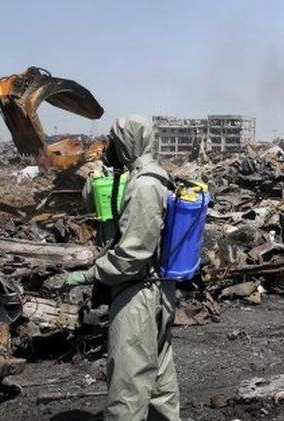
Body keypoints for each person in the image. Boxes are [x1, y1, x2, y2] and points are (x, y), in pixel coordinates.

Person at [62, 115, 179, 420]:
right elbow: (96, 205)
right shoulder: (148, 176)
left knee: (128, 382)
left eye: (113, 140)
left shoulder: (143, 185)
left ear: (128, 141)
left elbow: (132, 254)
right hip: (157, 289)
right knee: (159, 385)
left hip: (139, 293)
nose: (108, 146)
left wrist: (88, 273)